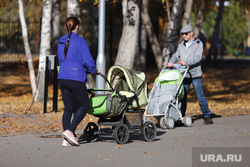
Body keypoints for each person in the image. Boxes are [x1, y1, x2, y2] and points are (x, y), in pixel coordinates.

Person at [57, 17, 99, 146]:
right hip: (75, 77)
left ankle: (66, 140)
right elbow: (87, 59)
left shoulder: (61, 41)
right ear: (77, 27)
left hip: (62, 77)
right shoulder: (80, 41)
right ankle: (69, 131)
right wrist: (93, 70)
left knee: (69, 108)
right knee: (84, 105)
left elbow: (61, 59)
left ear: (66, 27)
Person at [167, 25, 214, 125]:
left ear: (191, 33)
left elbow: (198, 58)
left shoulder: (198, 43)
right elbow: (176, 55)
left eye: (186, 33)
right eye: (182, 34)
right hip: (185, 74)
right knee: (182, 96)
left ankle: (207, 116)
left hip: (195, 74)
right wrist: (171, 62)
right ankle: (181, 117)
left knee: (200, 95)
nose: (184, 35)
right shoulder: (181, 44)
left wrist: (186, 62)